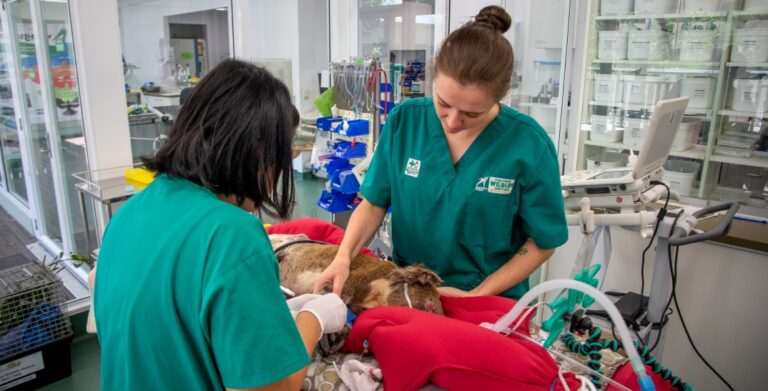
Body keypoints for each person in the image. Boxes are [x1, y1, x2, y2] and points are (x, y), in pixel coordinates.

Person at [94, 59, 347, 391]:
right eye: (280, 158)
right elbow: (274, 387)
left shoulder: (132, 212)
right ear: (255, 150)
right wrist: (313, 319)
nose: (275, 179)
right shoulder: (232, 236)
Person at [314, 6, 568, 300]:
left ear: (503, 93)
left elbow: (543, 242)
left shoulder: (528, 145)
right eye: (443, 103)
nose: (452, 121)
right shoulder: (406, 122)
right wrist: (344, 257)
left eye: (472, 113)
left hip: (487, 303)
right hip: (409, 293)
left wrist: (478, 295)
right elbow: (373, 204)